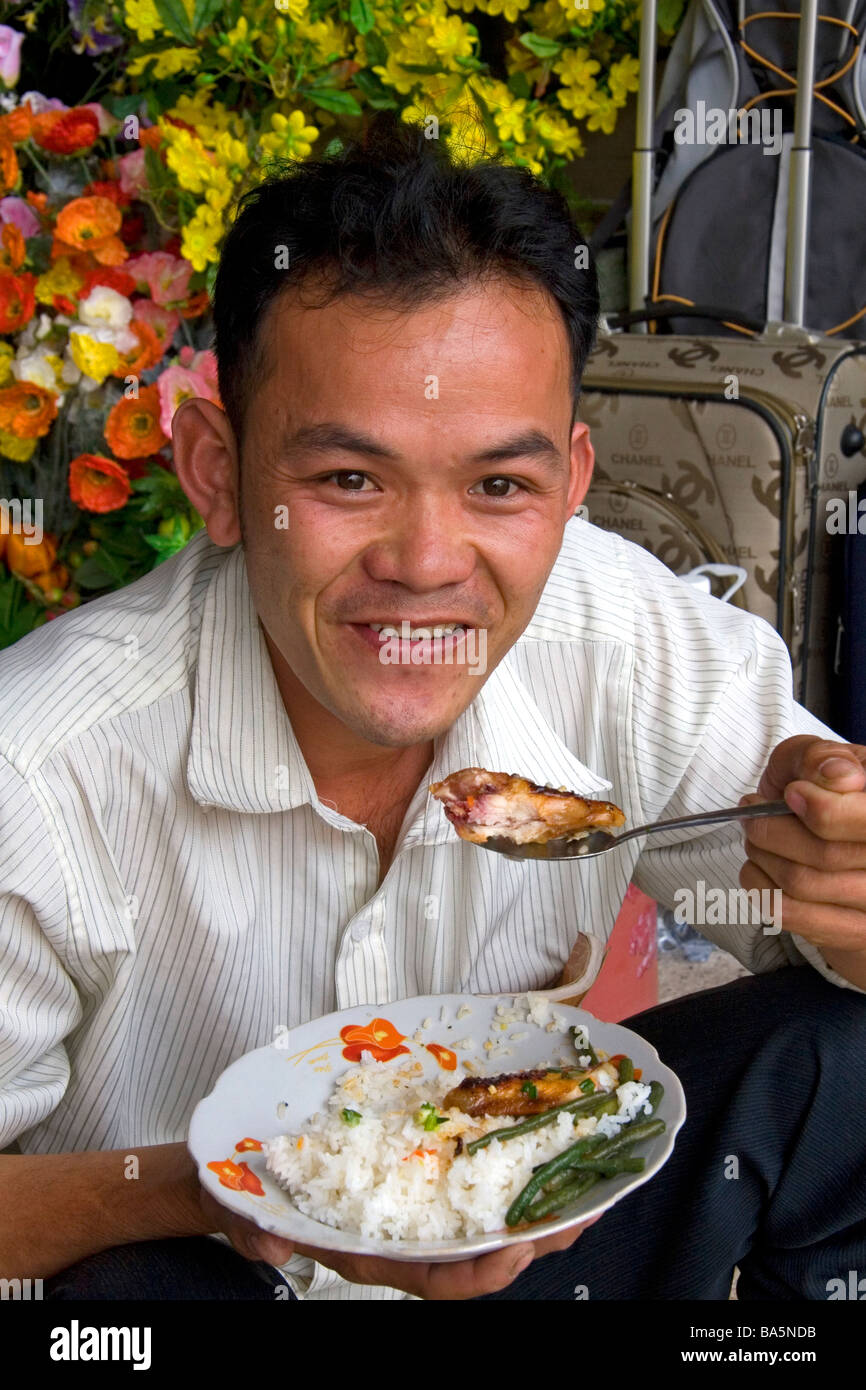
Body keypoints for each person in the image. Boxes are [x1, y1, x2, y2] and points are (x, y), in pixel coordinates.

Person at [1, 114, 865, 1303]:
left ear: (568, 485)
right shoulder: (38, 767)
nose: (425, 560)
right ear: (216, 471)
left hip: (549, 1250)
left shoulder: (624, 635)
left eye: (497, 485)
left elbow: (820, 891)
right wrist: (237, 1185)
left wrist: (846, 884)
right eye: (348, 478)